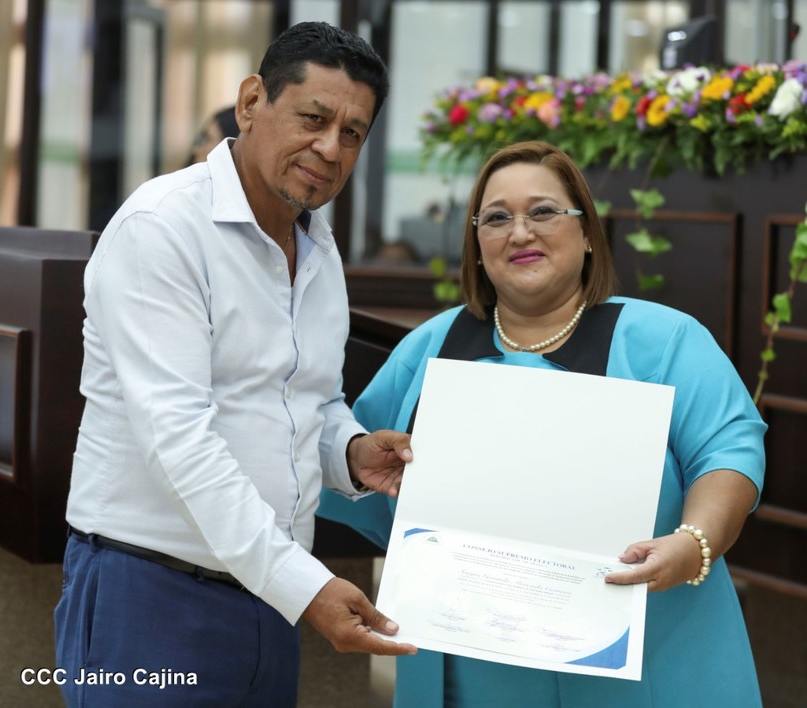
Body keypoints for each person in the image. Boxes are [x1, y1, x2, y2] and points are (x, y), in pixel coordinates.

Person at [318, 140, 767, 707]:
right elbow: (352, 466)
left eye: (544, 211)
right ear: (476, 245)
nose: (520, 232)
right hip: (471, 665)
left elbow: (728, 452)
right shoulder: (431, 347)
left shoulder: (663, 340)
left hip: (647, 652)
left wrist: (693, 543)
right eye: (497, 218)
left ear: (587, 233)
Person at [54, 21, 417, 708]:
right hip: (151, 592)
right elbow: (179, 440)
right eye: (313, 118)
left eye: (352, 133)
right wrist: (305, 587)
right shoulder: (163, 227)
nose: (330, 147)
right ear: (252, 102)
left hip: (269, 596)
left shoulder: (317, 246)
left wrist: (350, 452)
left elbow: (305, 399)